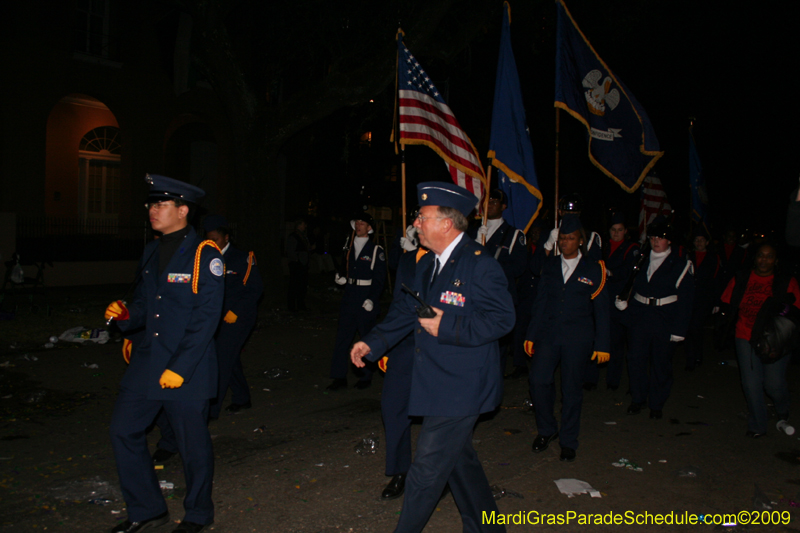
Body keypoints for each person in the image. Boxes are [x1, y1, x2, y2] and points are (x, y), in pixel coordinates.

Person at [351, 182, 514, 533]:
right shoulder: (428, 266)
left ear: (445, 223)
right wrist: (373, 342)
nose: (415, 225)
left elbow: (503, 319)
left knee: (425, 470)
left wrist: (450, 326)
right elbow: (408, 312)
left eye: (422, 218)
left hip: (463, 387)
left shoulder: (479, 264)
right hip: (436, 382)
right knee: (459, 463)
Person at [104, 174, 224, 533]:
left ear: (183, 210)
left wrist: (181, 367)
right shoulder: (153, 250)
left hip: (186, 366)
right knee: (123, 430)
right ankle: (146, 508)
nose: (152, 210)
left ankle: (198, 513)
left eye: (161, 204)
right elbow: (146, 303)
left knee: (191, 445)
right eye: (151, 204)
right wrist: (127, 315)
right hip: (148, 360)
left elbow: (206, 318)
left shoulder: (206, 254)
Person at [524, 214, 609, 462]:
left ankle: (569, 440)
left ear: (580, 241)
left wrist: (603, 343)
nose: (565, 243)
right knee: (538, 381)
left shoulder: (594, 268)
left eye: (570, 238)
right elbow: (540, 302)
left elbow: (602, 311)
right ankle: (547, 429)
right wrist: (531, 334)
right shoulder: (549, 265)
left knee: (571, 390)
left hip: (577, 338)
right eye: (562, 238)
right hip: (549, 334)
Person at [615, 216, 694, 420]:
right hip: (640, 315)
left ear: (669, 241)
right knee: (635, 359)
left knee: (661, 363)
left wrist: (679, 330)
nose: (655, 241)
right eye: (652, 238)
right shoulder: (640, 259)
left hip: (664, 317)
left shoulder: (680, 264)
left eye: (660, 238)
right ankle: (638, 398)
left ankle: (657, 402)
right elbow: (626, 279)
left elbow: (686, 301)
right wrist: (624, 300)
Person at [720, 242, 800, 437]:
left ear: (776, 260)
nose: (764, 260)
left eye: (769, 256)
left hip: (775, 339)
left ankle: (782, 407)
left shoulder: (786, 282)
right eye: (760, 255)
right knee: (751, 383)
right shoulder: (742, 277)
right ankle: (758, 425)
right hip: (745, 335)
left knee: (773, 384)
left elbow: (796, 313)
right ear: (754, 258)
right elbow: (727, 303)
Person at [377, 243, 427, 501]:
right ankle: (401, 471)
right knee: (393, 406)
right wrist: (387, 344)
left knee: (441, 415)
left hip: (437, 345)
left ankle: (445, 473)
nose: (418, 223)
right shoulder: (407, 259)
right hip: (406, 342)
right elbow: (398, 303)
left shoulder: (454, 256)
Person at [469, 189, 528, 378]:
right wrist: (475, 243)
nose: (490, 204)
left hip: (498, 297)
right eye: (488, 201)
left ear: (504, 206)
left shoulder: (513, 234)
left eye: (495, 202)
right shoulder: (471, 231)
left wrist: (489, 267)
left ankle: (493, 388)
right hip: (472, 296)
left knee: (497, 347)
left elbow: (519, 266)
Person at [327, 212, 386, 390]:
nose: (359, 225)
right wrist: (341, 278)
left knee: (366, 339)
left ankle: (366, 376)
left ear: (369, 228)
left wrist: (372, 298)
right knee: (342, 338)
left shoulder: (376, 250)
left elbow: (379, 279)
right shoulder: (348, 248)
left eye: (363, 223)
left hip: (365, 297)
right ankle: (339, 377)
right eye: (357, 223)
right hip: (349, 296)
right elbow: (344, 267)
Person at [588, 212, 639, 391]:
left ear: (625, 231)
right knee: (595, 337)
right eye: (613, 230)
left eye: (619, 230)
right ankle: (591, 378)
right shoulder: (603, 246)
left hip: (617, 299)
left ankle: (613, 380)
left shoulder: (631, 248)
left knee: (616, 342)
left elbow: (628, 271)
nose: (616, 233)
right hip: (600, 298)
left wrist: (609, 272)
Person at [685, 226, 721, 370]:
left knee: (697, 328)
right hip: (689, 298)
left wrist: (717, 301)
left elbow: (717, 280)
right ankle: (690, 357)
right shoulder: (687, 256)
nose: (699, 243)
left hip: (703, 299)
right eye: (696, 240)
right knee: (688, 328)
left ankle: (697, 355)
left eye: (702, 240)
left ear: (707, 242)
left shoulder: (714, 258)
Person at [542, 193, 602, 261]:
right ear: (560, 212)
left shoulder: (590, 237)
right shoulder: (547, 235)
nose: (570, 216)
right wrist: (548, 245)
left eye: (574, 214)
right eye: (567, 213)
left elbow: (595, 266)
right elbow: (535, 268)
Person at [286, 218, 312, 311]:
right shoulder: (294, 236)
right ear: (299, 225)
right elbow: (291, 250)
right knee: (294, 285)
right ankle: (292, 306)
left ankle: (301, 305)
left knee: (302, 285)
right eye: (304, 224)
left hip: (303, 264)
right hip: (297, 265)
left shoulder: (303, 236)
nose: (305, 226)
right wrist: (297, 261)